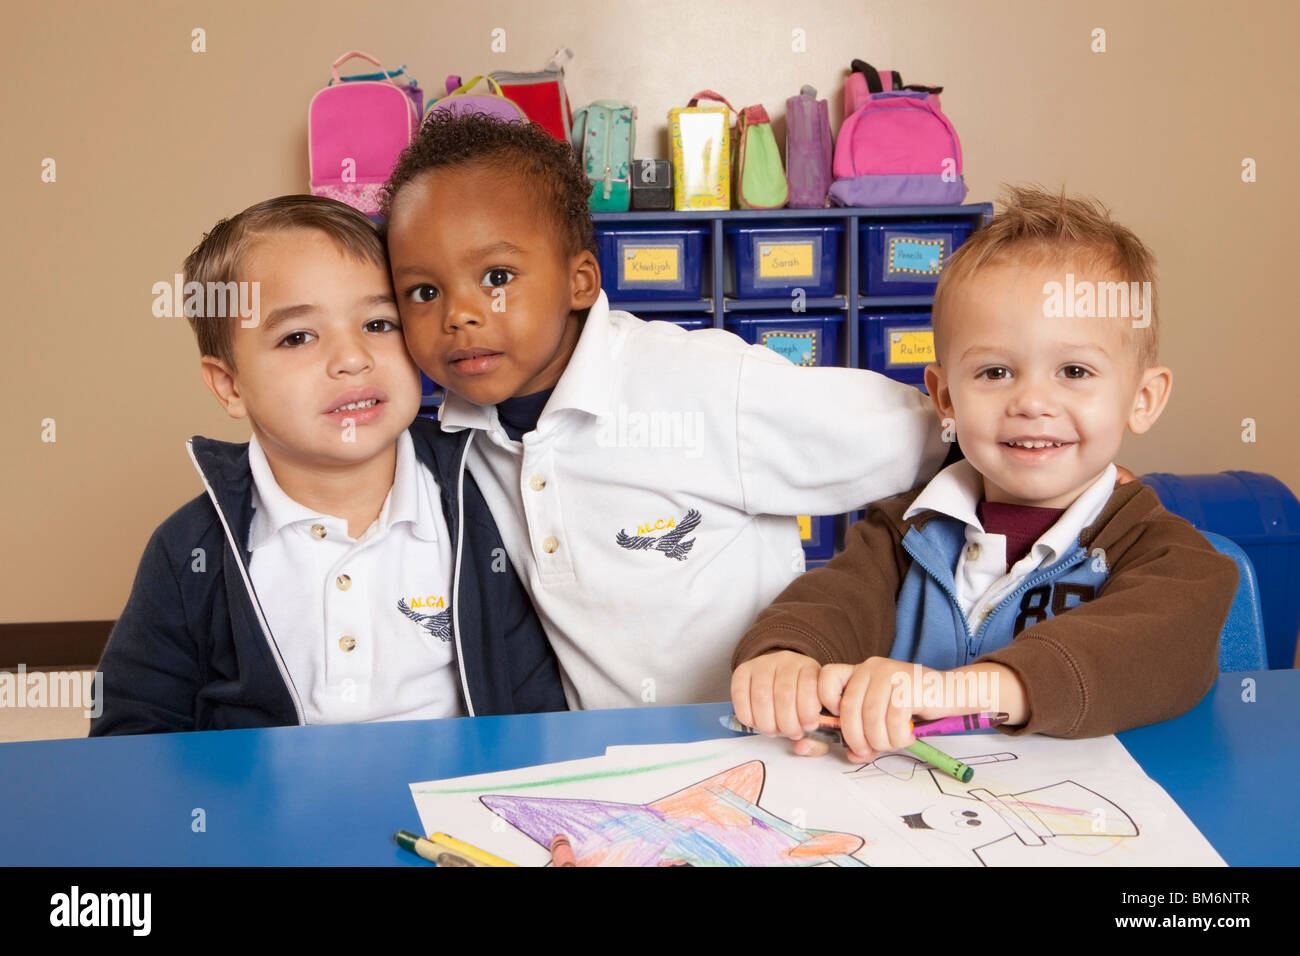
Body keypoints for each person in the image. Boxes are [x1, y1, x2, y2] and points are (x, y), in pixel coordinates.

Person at [380, 113, 950, 709]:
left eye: (496, 276)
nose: (458, 314)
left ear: (580, 282)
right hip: (608, 762)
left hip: (771, 743)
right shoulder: (452, 444)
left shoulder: (705, 386)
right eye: (424, 291)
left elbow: (935, 436)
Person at [730, 185, 1238, 760]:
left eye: (1074, 370)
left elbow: (1165, 643)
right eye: (995, 372)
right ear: (945, 398)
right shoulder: (903, 532)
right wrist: (790, 659)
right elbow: (833, 602)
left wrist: (972, 688)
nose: (1032, 401)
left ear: (1142, 399)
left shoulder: (1165, 554)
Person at [91, 195, 565, 735]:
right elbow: (131, 731)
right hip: (264, 809)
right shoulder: (189, 552)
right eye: (298, 336)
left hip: (446, 805)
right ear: (230, 385)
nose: (351, 358)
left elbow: (534, 702)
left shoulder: (481, 501)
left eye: (379, 324)